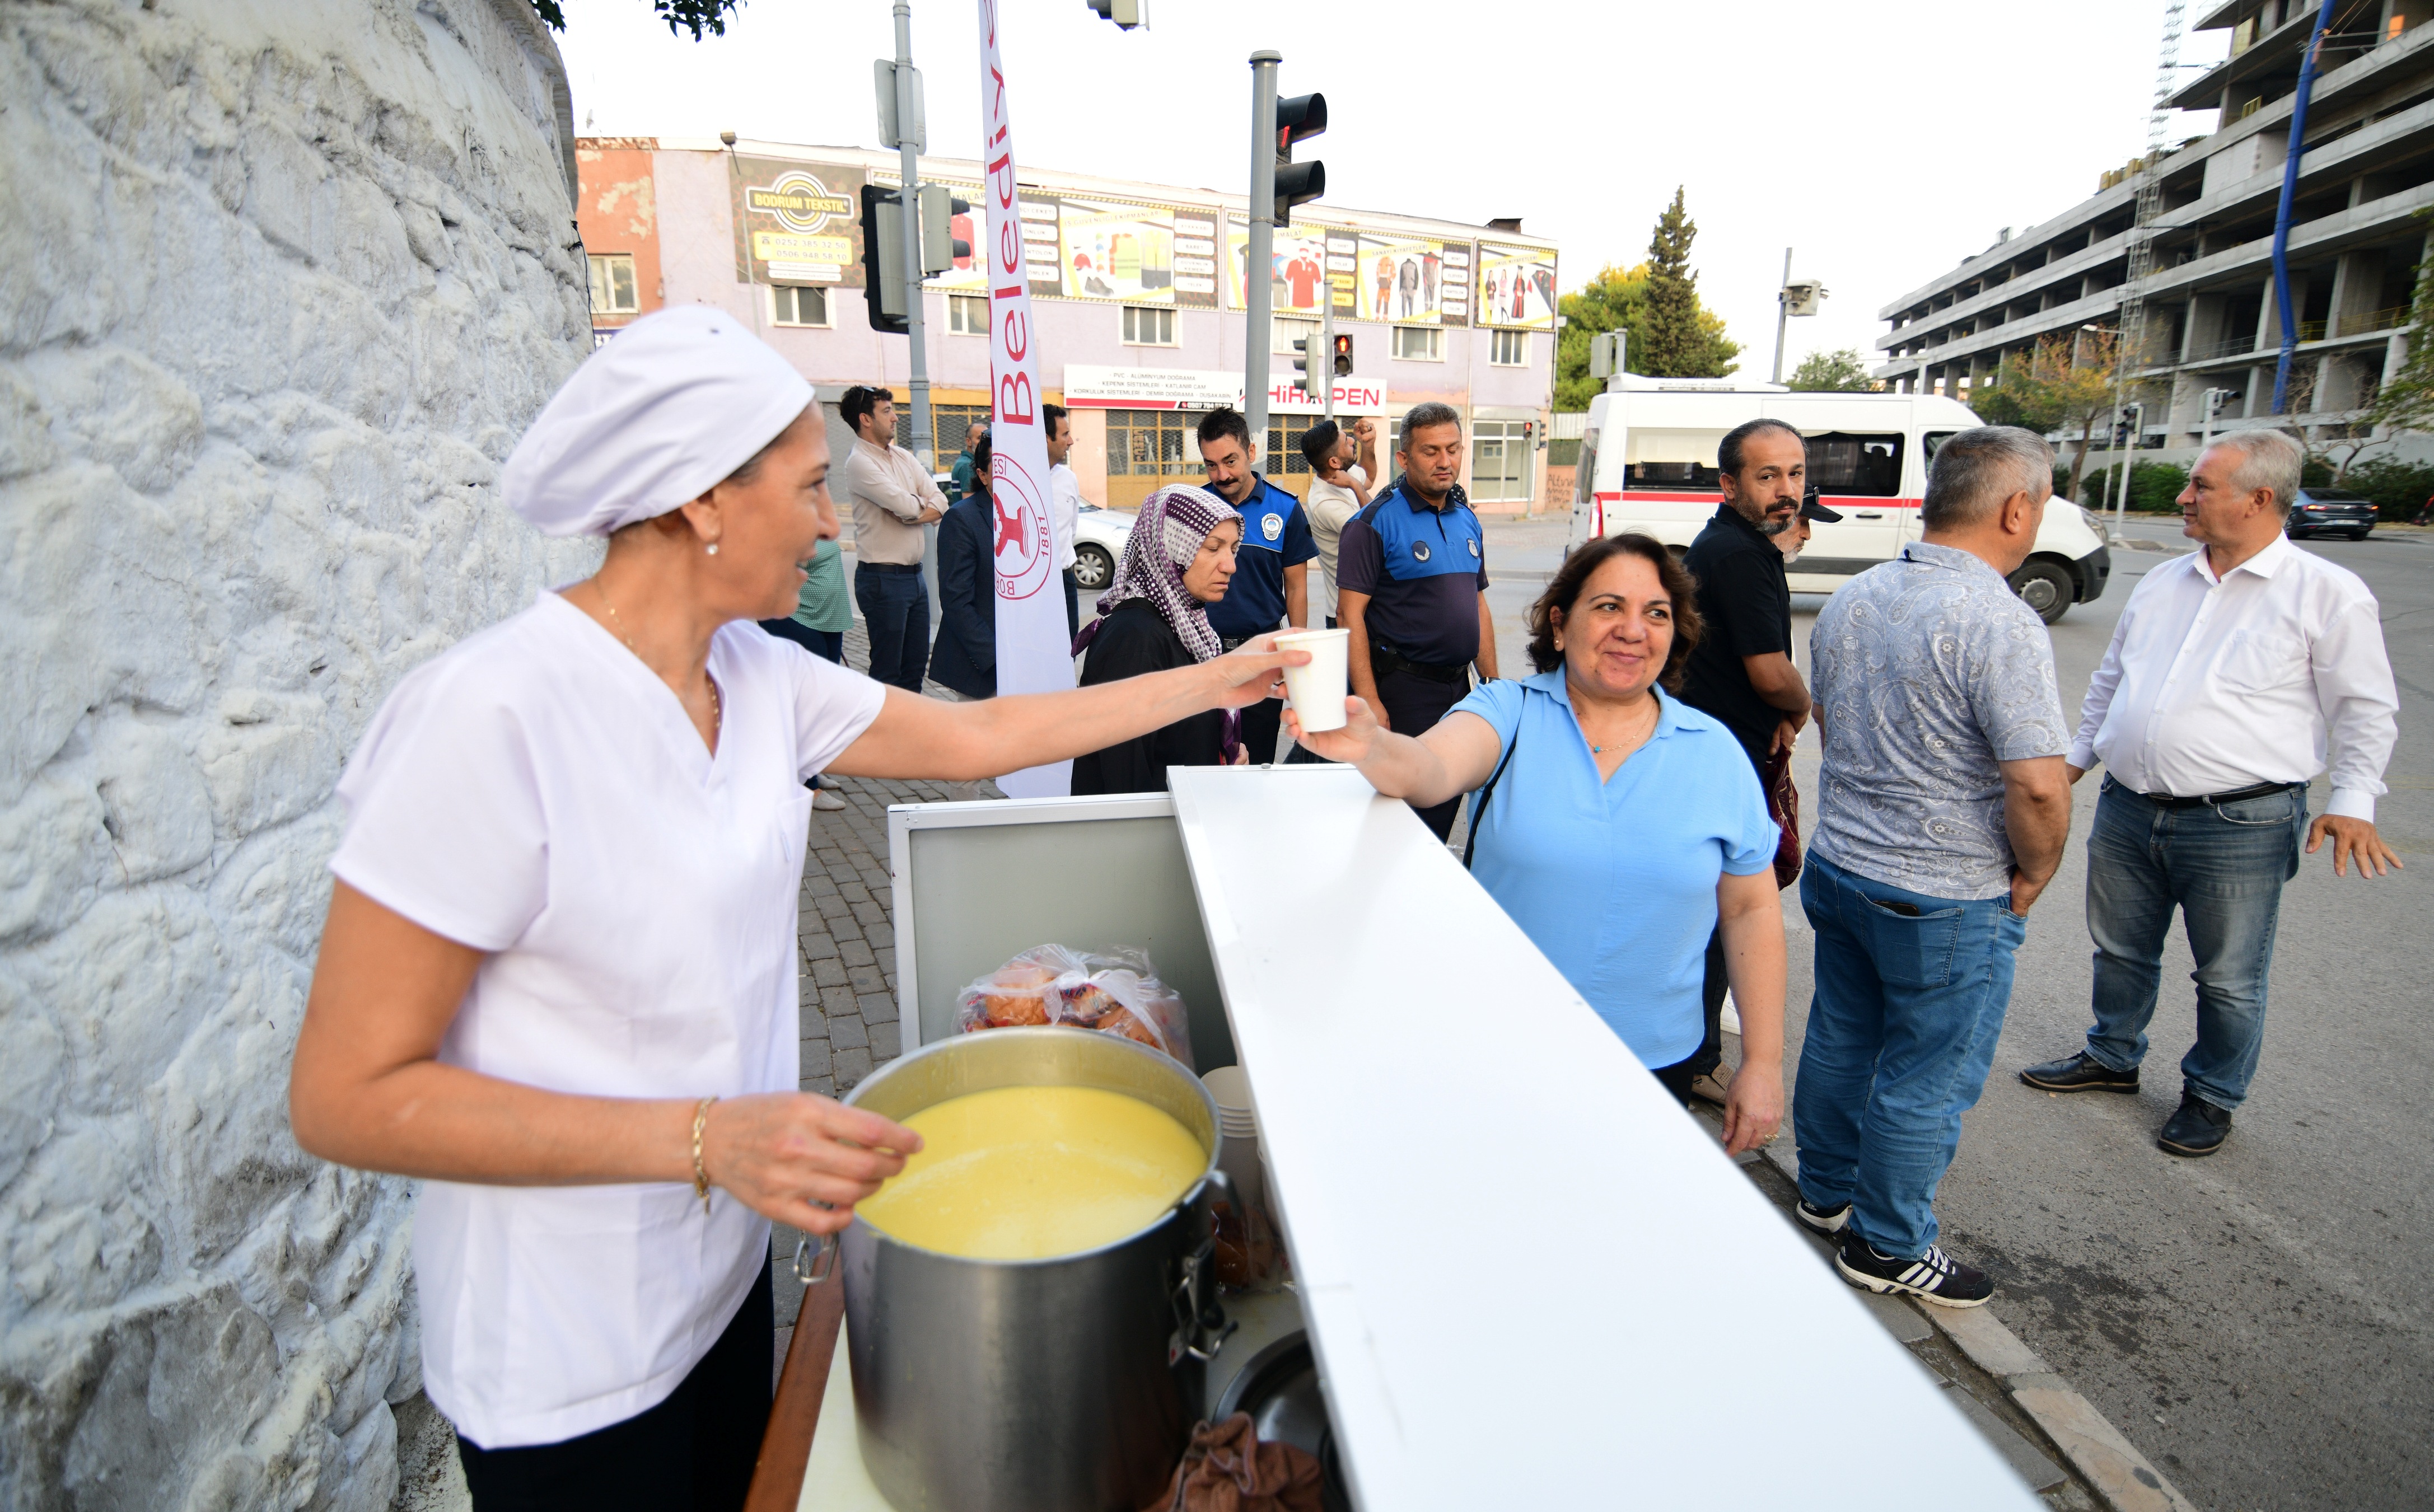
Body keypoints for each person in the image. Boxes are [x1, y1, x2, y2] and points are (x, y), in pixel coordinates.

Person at [285, 307, 1300, 1510]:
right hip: (563, 1356)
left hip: (719, 1291)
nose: (832, 520)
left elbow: (980, 734)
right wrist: (711, 1140)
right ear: (701, 500)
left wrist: (1223, 674)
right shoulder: (488, 716)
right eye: (813, 487)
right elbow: (346, 1096)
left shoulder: (754, 677)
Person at [1290, 532, 1784, 1150]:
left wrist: (1762, 1062)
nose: (1633, 629)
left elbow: (1750, 907)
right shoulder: (1511, 710)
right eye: (1608, 607)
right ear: (1559, 623)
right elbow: (1429, 768)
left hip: (1654, 1065)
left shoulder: (1713, 752)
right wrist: (1369, 744)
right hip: (1501, 1045)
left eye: (1655, 613)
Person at [2020, 428, 2401, 1156]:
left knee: (2227, 976)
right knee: (2120, 950)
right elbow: (2111, 682)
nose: (2183, 498)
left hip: (2238, 822)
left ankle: (2211, 1093)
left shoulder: (2326, 594)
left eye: (2199, 486)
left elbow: (2363, 706)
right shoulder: (2165, 580)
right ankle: (2112, 1054)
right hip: (2129, 807)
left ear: (2259, 499)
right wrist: (2070, 762)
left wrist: (2352, 798)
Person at [1792, 425, 2073, 1309]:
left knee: (1841, 1037)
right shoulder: (1999, 620)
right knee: (1926, 1074)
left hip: (1842, 868)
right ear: (2015, 507)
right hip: (1942, 894)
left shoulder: (1856, 596)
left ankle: (1826, 1190)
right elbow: (2035, 786)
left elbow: (1835, 728)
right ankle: (1886, 1244)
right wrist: (2031, 876)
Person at [1676, 420, 1817, 1107]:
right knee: (1725, 913)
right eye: (1768, 477)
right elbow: (1769, 672)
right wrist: (1803, 707)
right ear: (1730, 485)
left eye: (1795, 473)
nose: (1787, 490)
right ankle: (1694, 1058)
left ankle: (1691, 1049)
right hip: (1726, 765)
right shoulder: (1737, 555)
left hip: (1722, 756)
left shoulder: (1739, 546)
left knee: (1714, 912)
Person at [1336, 403, 1498, 839]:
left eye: (1452, 449)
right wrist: (1370, 700)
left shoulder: (1466, 519)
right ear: (1403, 459)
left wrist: (1495, 686)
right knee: (1401, 822)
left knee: (1446, 804)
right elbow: (1349, 616)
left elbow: (1477, 606)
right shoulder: (1372, 523)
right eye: (1430, 451)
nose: (1444, 461)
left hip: (1459, 692)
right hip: (1404, 693)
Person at [1071, 485, 1248, 794]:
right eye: (1212, 548)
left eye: (1232, 549)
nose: (1230, 566)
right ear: (1170, 550)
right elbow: (1122, 776)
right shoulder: (1134, 638)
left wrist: (1220, 754)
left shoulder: (1185, 624)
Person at [1197, 406, 1316, 763]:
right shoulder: (1195, 509)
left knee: (1256, 763)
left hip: (1261, 660)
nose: (1222, 474)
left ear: (1251, 452)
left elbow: (1296, 588)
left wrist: (1295, 660)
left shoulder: (1286, 510)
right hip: (1203, 655)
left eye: (1230, 461)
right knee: (1204, 761)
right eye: (1211, 464)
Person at [839, 384, 946, 693]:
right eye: (887, 411)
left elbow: (940, 500)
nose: (896, 418)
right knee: (888, 672)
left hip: (914, 579)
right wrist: (917, 506)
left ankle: (910, 738)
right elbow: (906, 506)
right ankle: (884, 738)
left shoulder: (902, 456)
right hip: (883, 580)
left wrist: (915, 510)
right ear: (866, 419)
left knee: (914, 669)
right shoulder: (860, 462)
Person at [755, 523, 854, 811]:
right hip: (797, 616)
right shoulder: (776, 515)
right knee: (805, 702)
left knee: (823, 699)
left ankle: (810, 768)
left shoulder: (812, 509)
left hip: (827, 617)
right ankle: (804, 785)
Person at [929, 433, 996, 701]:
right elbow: (956, 601)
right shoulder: (963, 518)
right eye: (1000, 465)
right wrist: (997, 661)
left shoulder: (1033, 515)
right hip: (983, 669)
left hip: (1028, 663)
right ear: (982, 475)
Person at [1300, 416, 1378, 627]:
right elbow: (1376, 530)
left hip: (1367, 608)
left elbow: (1368, 477)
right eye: (1347, 442)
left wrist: (1368, 446)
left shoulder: (1342, 472)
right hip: (1347, 616)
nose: (1353, 441)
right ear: (1334, 462)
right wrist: (1354, 485)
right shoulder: (1325, 503)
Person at [1045, 402, 1084, 640]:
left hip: (1064, 578)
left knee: (1067, 646)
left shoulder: (1068, 479)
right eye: (1065, 434)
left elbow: (1071, 530)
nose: (1070, 441)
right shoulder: (1014, 480)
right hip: (1031, 586)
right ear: (1045, 438)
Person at [950, 420, 991, 499]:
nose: (984, 442)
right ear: (969, 442)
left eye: (986, 438)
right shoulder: (967, 465)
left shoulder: (969, 462)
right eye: (980, 438)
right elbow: (969, 500)